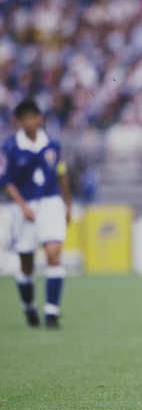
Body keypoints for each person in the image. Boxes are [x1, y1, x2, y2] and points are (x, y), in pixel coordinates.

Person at [0, 99, 72, 328]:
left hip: (50, 202)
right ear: (19, 121)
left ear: (40, 118)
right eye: (26, 118)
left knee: (54, 253)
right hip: (24, 207)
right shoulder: (10, 147)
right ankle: (29, 308)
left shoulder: (52, 144)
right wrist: (23, 206)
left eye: (34, 117)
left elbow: (62, 174)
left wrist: (68, 206)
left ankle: (51, 313)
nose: (30, 122)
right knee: (27, 263)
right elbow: (6, 181)